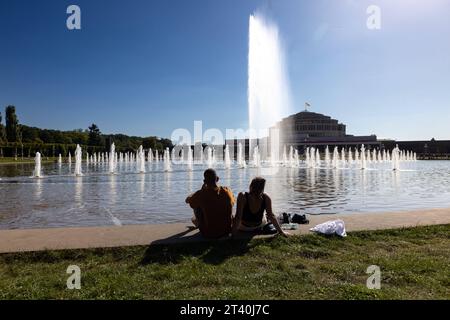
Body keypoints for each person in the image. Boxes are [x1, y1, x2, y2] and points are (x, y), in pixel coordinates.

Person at [185, 169, 236, 238]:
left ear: (204, 181)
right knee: (228, 204)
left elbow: (187, 200)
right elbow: (233, 201)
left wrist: (200, 191)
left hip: (208, 233)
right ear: (217, 179)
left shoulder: (201, 194)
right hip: (227, 230)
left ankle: (198, 223)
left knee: (196, 205)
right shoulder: (227, 191)